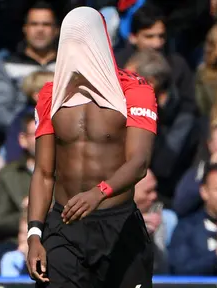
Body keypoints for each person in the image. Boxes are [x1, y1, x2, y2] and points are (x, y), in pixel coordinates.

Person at [27, 6, 157, 288]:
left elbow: (139, 162)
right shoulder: (50, 95)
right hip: (63, 226)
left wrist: (99, 193)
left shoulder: (135, 91)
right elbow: (43, 172)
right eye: (69, 42)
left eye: (83, 42)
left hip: (118, 226)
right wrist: (34, 234)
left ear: (101, 42)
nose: (75, 50)